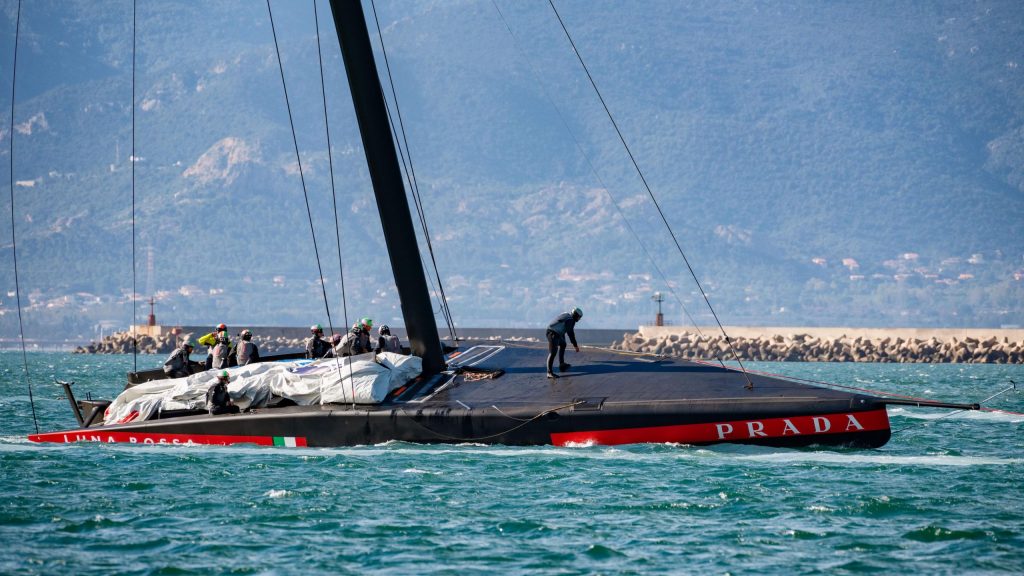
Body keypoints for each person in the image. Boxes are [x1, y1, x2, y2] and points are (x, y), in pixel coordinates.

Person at [545, 307, 582, 379]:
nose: (579, 319)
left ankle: (561, 364)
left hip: (556, 333)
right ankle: (549, 373)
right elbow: (570, 333)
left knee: (563, 344)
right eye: (579, 317)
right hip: (552, 333)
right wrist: (575, 345)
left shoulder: (567, 315)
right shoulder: (571, 320)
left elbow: (562, 327)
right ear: (575, 315)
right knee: (553, 353)